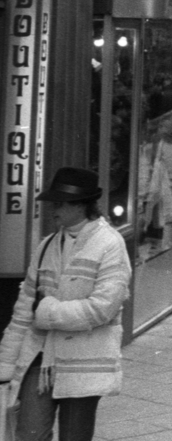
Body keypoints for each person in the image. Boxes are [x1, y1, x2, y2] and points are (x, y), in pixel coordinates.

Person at [0, 168, 132, 441]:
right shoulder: (47, 245)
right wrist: (4, 364)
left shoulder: (110, 244)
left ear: (81, 205)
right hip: (40, 357)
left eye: (59, 203)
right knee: (28, 435)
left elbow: (102, 309)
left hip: (83, 363)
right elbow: (24, 310)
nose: (53, 210)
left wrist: (47, 312)